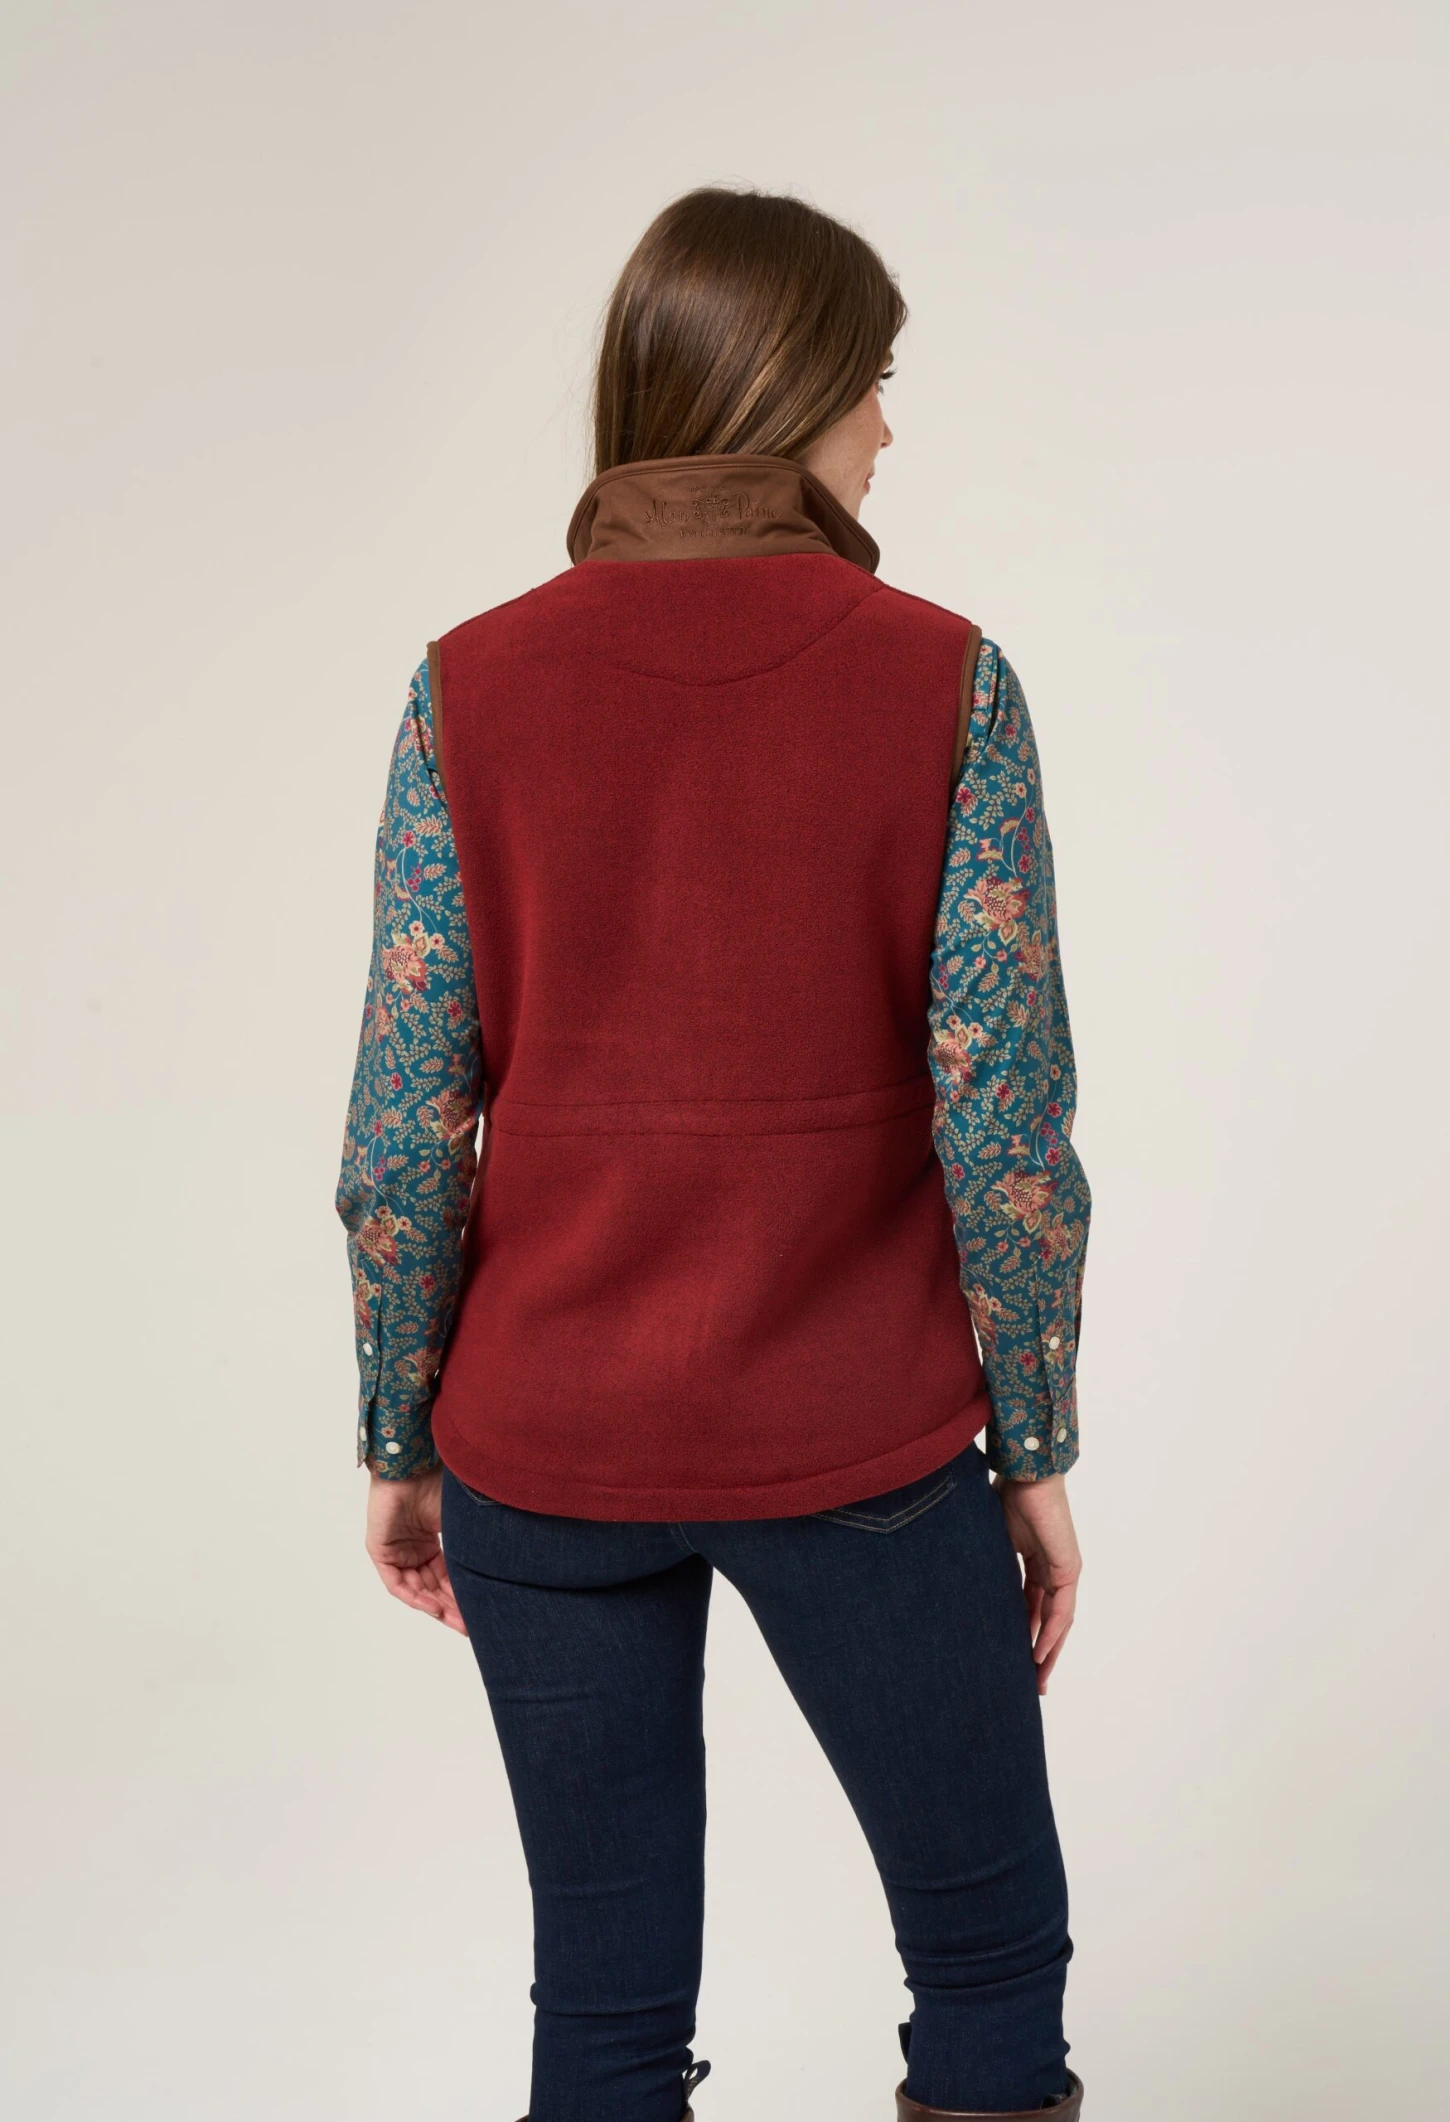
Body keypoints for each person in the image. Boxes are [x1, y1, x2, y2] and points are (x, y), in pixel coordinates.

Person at [336, 185, 1091, 2122]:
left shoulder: (465, 686)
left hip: (542, 1449)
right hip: (857, 1440)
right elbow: (1006, 1118)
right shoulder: (946, 679)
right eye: (874, 380)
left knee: (602, 2008)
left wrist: (402, 1430)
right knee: (987, 1958)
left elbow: (405, 1122)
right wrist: (1034, 1447)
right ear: (789, 390)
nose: (890, 427)